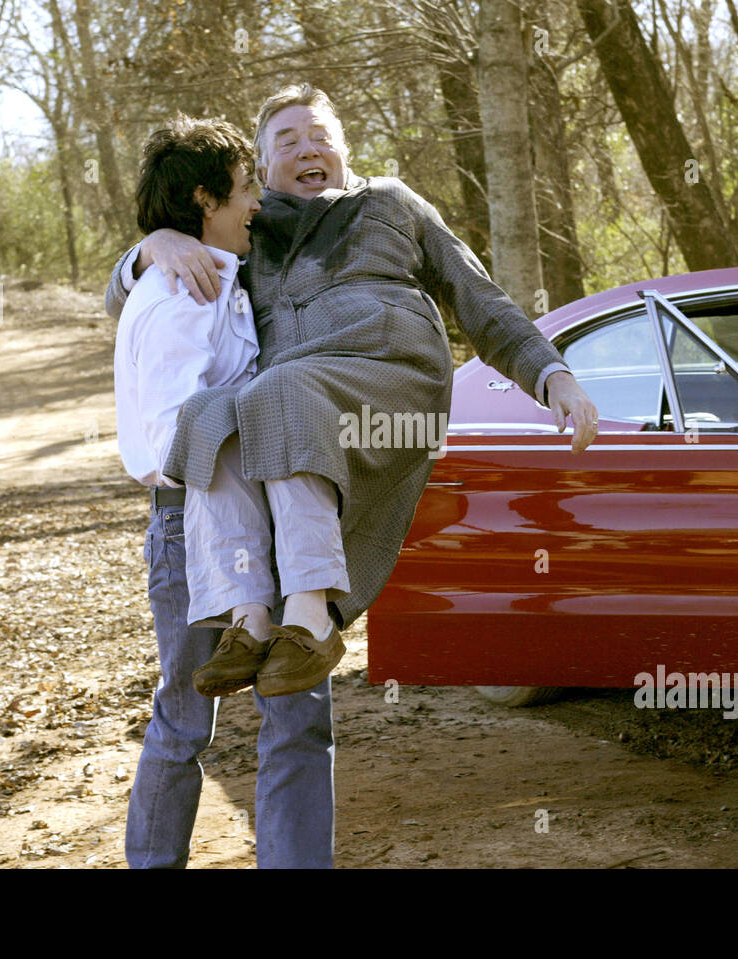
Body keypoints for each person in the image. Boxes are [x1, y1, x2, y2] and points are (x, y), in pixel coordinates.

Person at [106, 84, 599, 867]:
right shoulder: (248, 231)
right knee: (181, 710)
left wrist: (554, 378)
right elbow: (135, 293)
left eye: (321, 134)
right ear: (260, 171)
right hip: (214, 486)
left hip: (325, 458)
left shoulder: (396, 205)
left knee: (297, 710)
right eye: (289, 139)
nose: (309, 149)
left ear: (346, 147)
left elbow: (483, 301)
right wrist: (149, 246)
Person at [114, 115, 333, 869]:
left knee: (296, 704)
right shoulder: (179, 290)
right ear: (206, 199)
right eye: (244, 191)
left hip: (267, 513)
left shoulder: (220, 269)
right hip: (191, 525)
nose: (256, 207)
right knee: (184, 720)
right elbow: (181, 436)